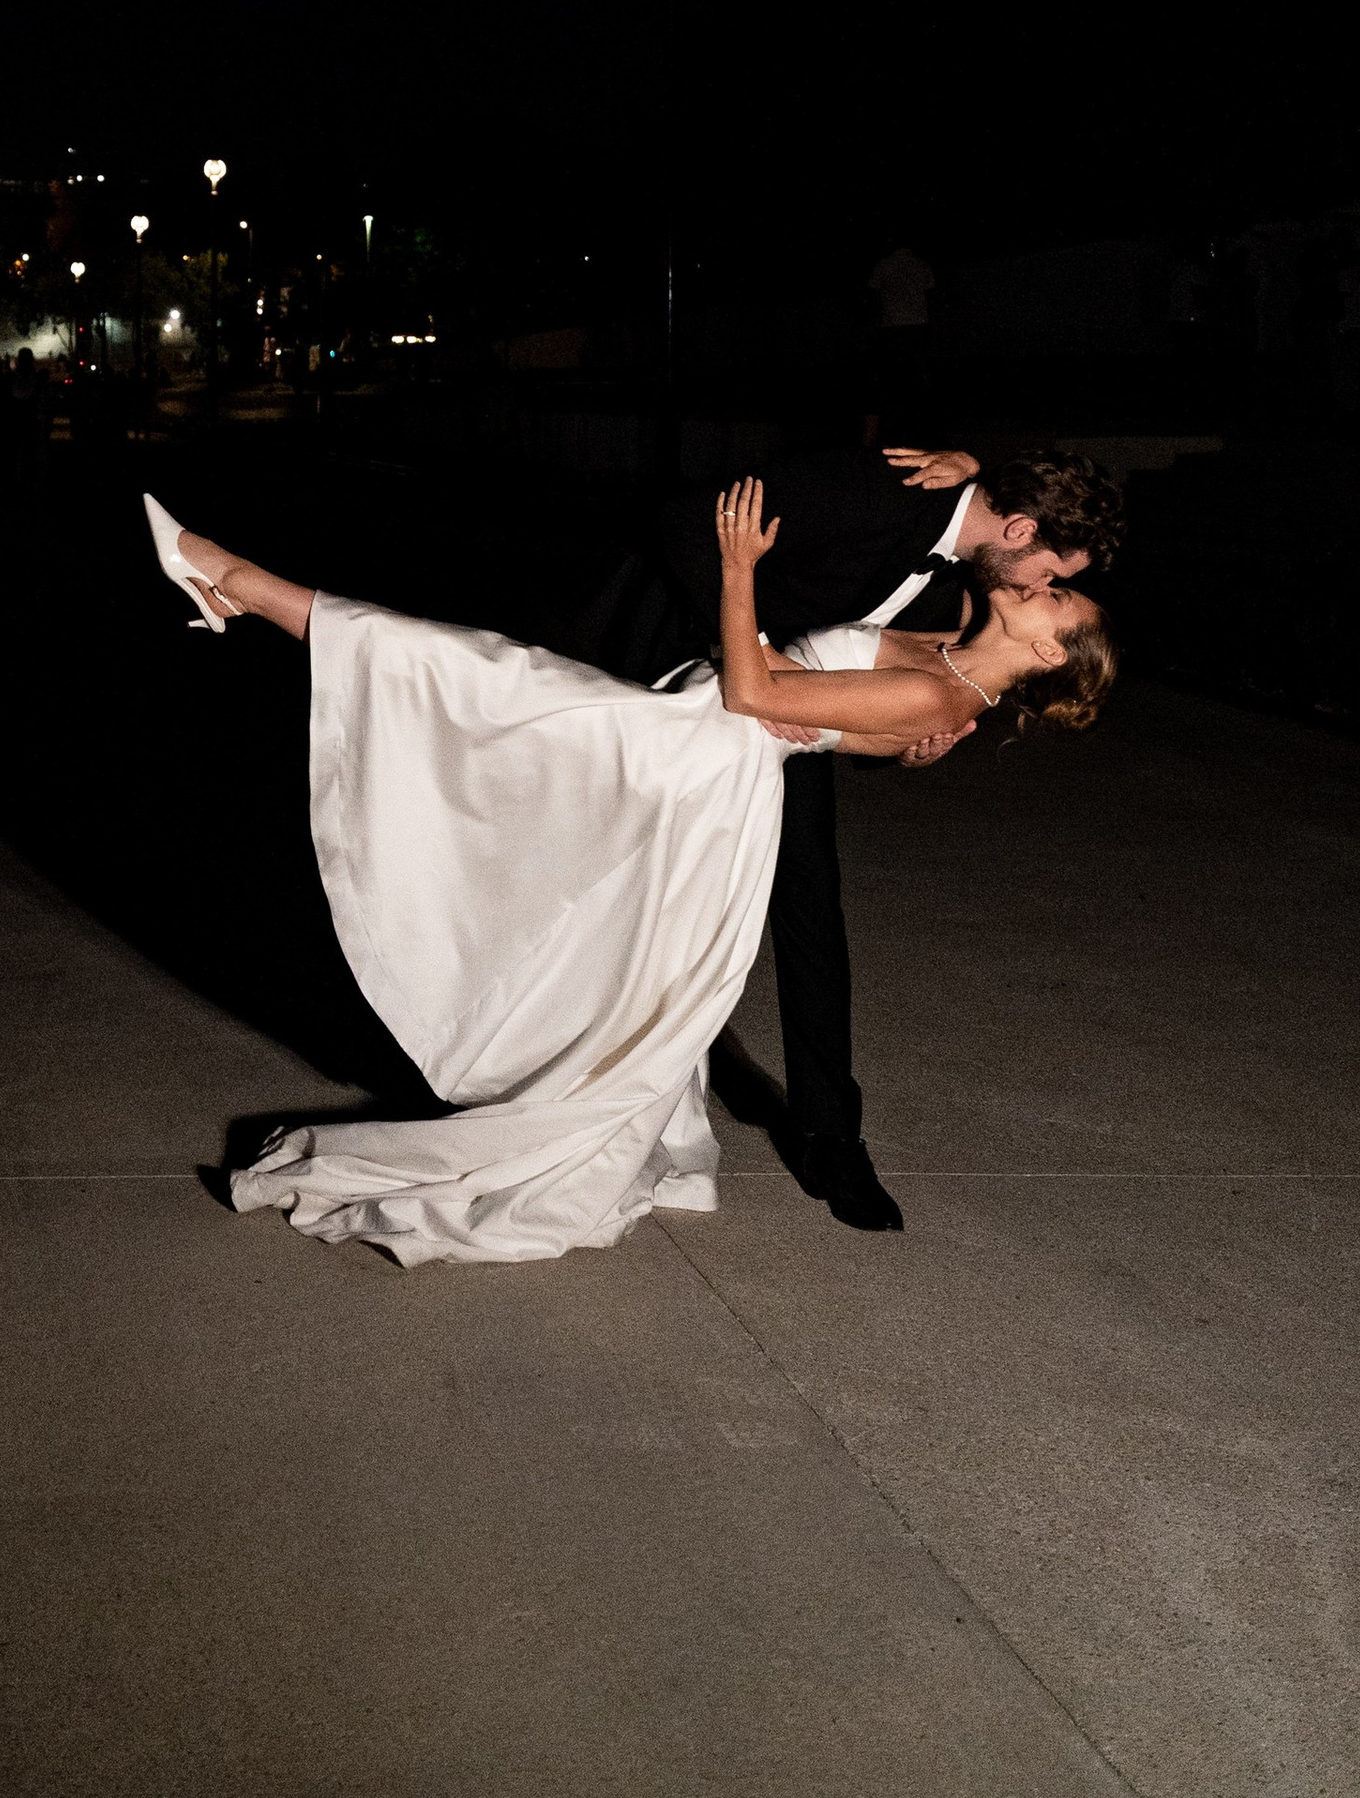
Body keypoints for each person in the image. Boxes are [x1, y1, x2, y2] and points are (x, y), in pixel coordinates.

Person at [143, 482, 1110, 1268]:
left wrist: (740, 572)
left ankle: (227, 575)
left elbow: (755, 690)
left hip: (694, 759)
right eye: (1057, 578)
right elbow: (820, 705)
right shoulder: (947, 663)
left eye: (1060, 596)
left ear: (1049, 649)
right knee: (489, 681)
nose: (1045, 584)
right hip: (695, 741)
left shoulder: (942, 687)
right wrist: (881, 730)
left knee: (478, 677)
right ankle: (234, 586)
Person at [579, 441, 1123, 1228]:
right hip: (676, 674)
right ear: (1019, 530)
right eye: (1055, 572)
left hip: (788, 722)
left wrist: (904, 742)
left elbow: (905, 686)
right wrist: (754, 647)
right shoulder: (874, 489)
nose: (1051, 585)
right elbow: (682, 520)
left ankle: (831, 1137)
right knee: (623, 897)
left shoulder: (975, 589)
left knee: (810, 907)